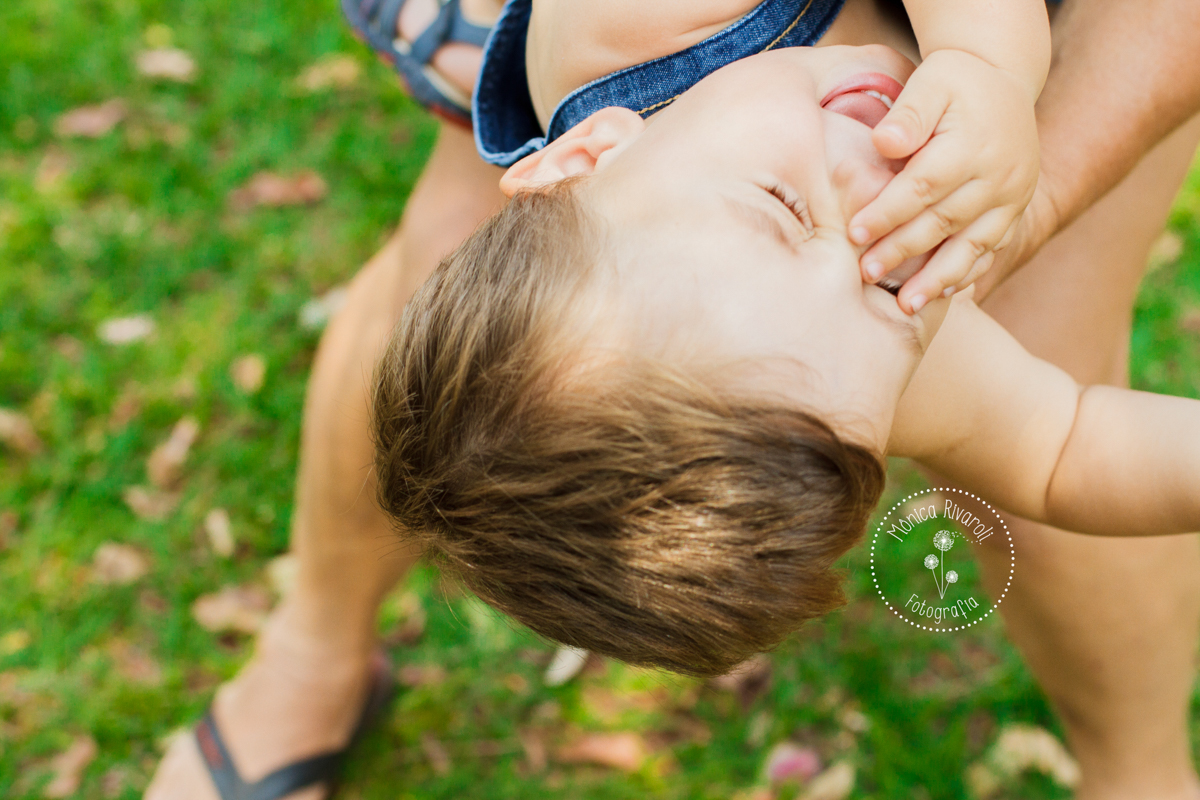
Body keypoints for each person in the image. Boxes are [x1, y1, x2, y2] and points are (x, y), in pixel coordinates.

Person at [145, 1, 1200, 799]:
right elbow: (1062, 443)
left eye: (785, 209)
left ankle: (1142, 765)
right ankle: (315, 648)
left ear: (589, 150)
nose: (866, 202)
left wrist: (989, 66)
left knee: (449, 247)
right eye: (885, 296)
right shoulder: (823, 356)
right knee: (1024, 330)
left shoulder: (645, 14)